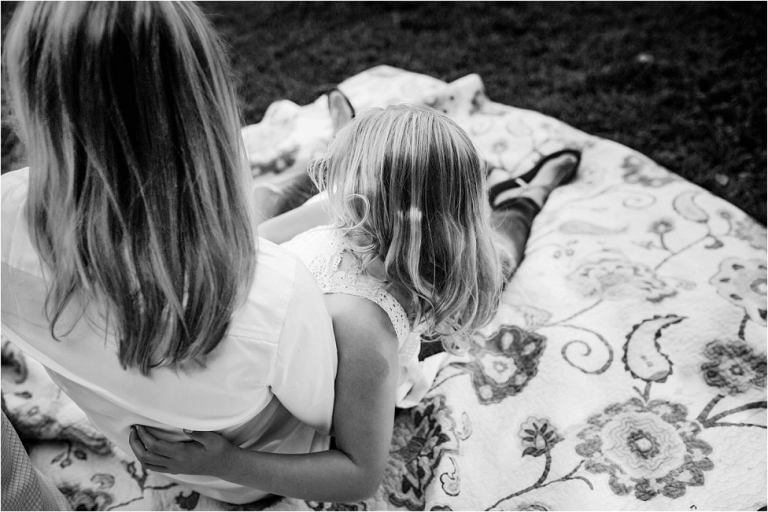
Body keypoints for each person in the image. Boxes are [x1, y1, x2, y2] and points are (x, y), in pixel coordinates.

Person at [129, 103, 581, 502]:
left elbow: (360, 474)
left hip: (399, 318)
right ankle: (462, 188)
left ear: (373, 197)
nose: (330, 177)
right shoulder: (343, 208)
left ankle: (529, 194)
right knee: (270, 202)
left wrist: (224, 462)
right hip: (400, 231)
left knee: (497, 258)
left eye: (342, 167)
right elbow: (256, 244)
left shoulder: (367, 331)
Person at [1, 2, 337, 505]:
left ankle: (310, 181)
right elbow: (327, 423)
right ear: (205, 106)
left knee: (267, 214)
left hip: (166, 451)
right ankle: (335, 183)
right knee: (336, 229)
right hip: (252, 481)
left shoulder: (6, 224)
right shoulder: (274, 294)